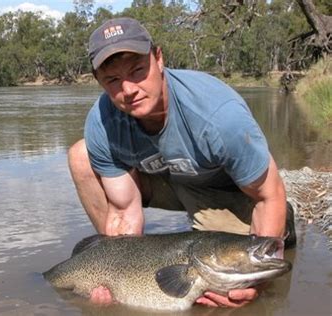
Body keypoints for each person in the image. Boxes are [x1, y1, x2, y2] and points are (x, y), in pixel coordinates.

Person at [68, 17, 296, 308]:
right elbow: (124, 211)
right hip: (168, 180)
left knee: (228, 279)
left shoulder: (219, 116)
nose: (129, 89)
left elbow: (269, 195)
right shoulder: (101, 123)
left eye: (138, 70)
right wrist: (111, 276)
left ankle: (281, 233)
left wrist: (258, 284)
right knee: (80, 155)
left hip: (223, 189)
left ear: (159, 58)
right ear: (98, 80)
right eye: (112, 80)